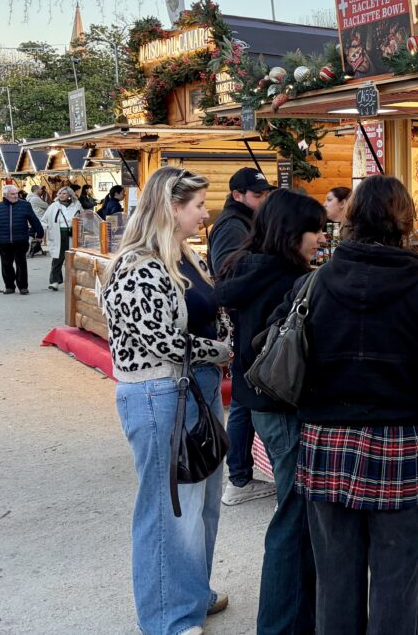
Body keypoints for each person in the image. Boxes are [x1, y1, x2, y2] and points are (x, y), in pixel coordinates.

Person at [283, 175, 418, 634]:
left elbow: (281, 357)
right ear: (404, 221)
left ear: (350, 219)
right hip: (404, 443)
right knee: (397, 578)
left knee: (334, 577)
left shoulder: (314, 284)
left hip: (327, 442)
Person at [100, 167, 232, 635]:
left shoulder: (184, 255)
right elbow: (161, 340)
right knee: (169, 509)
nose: (205, 212)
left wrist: (220, 344)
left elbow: (209, 312)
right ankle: (168, 618)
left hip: (196, 388)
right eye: (197, 204)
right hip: (160, 393)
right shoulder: (138, 265)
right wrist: (217, 350)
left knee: (202, 504)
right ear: (170, 208)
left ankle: (190, 593)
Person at [215, 190, 325, 635]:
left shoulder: (246, 265)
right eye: (314, 230)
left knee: (293, 513)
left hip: (258, 399)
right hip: (282, 404)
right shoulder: (285, 278)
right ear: (290, 233)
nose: (320, 238)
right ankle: (281, 625)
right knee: (295, 520)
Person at [208, 166, 276, 507]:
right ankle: (238, 478)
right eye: (258, 195)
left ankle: (240, 476)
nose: (263, 200)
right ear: (238, 195)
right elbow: (228, 277)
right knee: (243, 402)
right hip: (242, 324)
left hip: (244, 323)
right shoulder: (232, 225)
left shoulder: (243, 221)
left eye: (265, 194)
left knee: (244, 400)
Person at [0, 184, 44, 295]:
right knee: (6, 264)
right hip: (4, 241)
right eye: (12, 194)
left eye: (16, 193)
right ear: (5, 195)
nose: (16, 196)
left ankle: (23, 287)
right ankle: (9, 286)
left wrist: (40, 233)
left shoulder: (25, 205)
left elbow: (34, 220)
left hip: (21, 240)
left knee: (21, 264)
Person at [42, 185, 80, 291]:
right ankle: (54, 281)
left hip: (73, 234)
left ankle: (73, 281)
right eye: (60, 193)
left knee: (73, 259)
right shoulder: (54, 206)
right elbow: (45, 220)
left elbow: (83, 218)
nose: (61, 195)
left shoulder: (77, 205)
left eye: (64, 193)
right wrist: (41, 231)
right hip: (58, 234)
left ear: (69, 195)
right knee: (57, 258)